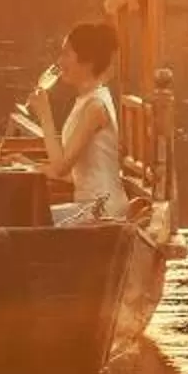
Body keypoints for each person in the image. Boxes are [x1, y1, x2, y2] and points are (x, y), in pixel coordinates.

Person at [26, 20, 127, 227]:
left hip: (103, 211)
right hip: (88, 207)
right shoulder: (85, 100)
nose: (60, 61)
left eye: (66, 54)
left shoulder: (95, 107)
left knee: (33, 221)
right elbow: (73, 174)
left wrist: (45, 115)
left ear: (87, 61)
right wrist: (27, 166)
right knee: (29, 215)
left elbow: (61, 167)